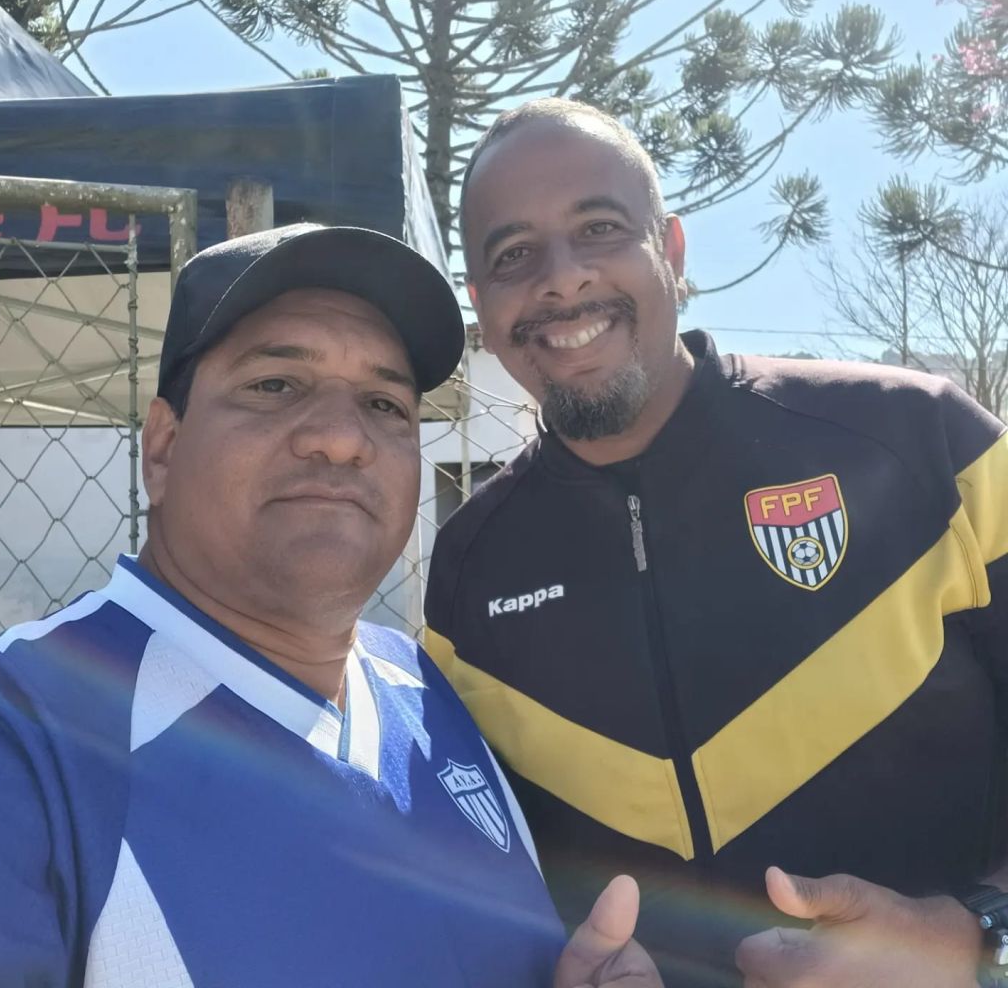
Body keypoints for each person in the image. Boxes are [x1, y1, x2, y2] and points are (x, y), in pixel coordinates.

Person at [0, 222, 664, 988]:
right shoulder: (18, 730)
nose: (342, 439)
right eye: (275, 386)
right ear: (164, 447)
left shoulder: (428, 689)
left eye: (384, 403)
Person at [423, 98, 1008, 988]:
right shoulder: (469, 574)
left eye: (600, 228)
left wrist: (977, 936)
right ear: (481, 302)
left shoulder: (924, 441)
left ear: (673, 249)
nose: (562, 280)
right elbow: (507, 880)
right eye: (513, 255)